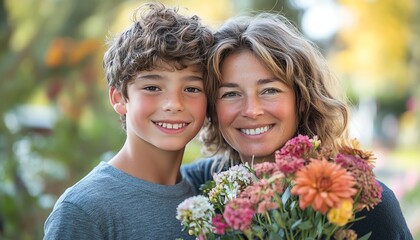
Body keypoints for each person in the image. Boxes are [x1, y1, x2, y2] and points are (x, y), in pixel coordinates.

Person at [182, 12, 413, 240]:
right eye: (231, 93)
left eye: (269, 90)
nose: (251, 110)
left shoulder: (364, 205)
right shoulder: (199, 188)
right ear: (212, 107)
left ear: (302, 99)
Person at [44, 2, 213, 239]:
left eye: (192, 88)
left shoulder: (210, 186)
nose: (174, 103)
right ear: (119, 98)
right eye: (152, 87)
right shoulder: (85, 210)